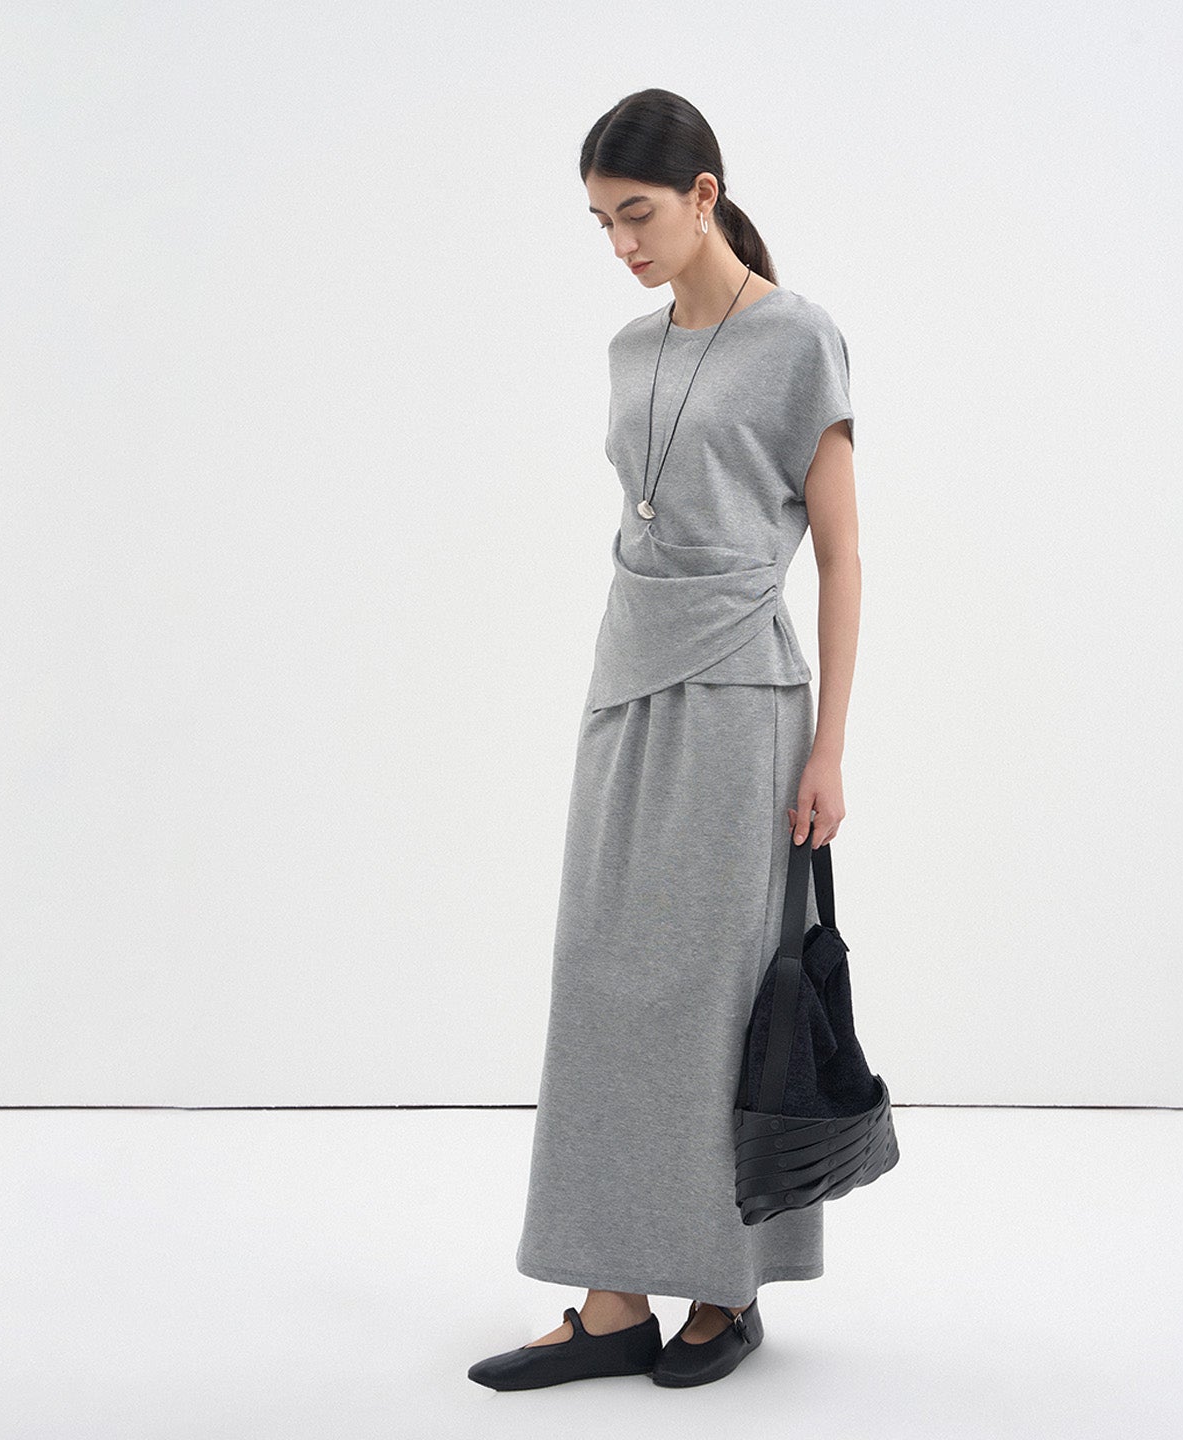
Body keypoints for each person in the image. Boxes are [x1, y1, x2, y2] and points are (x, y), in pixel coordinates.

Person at [468, 87, 859, 1391]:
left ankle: (723, 1288)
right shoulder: (629, 350)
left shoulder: (800, 338)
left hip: (743, 701)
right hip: (624, 690)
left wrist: (830, 749)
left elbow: (843, 556)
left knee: (712, 996)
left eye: (637, 214)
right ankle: (612, 1298)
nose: (622, 243)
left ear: (704, 195)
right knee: (602, 984)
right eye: (601, 222)